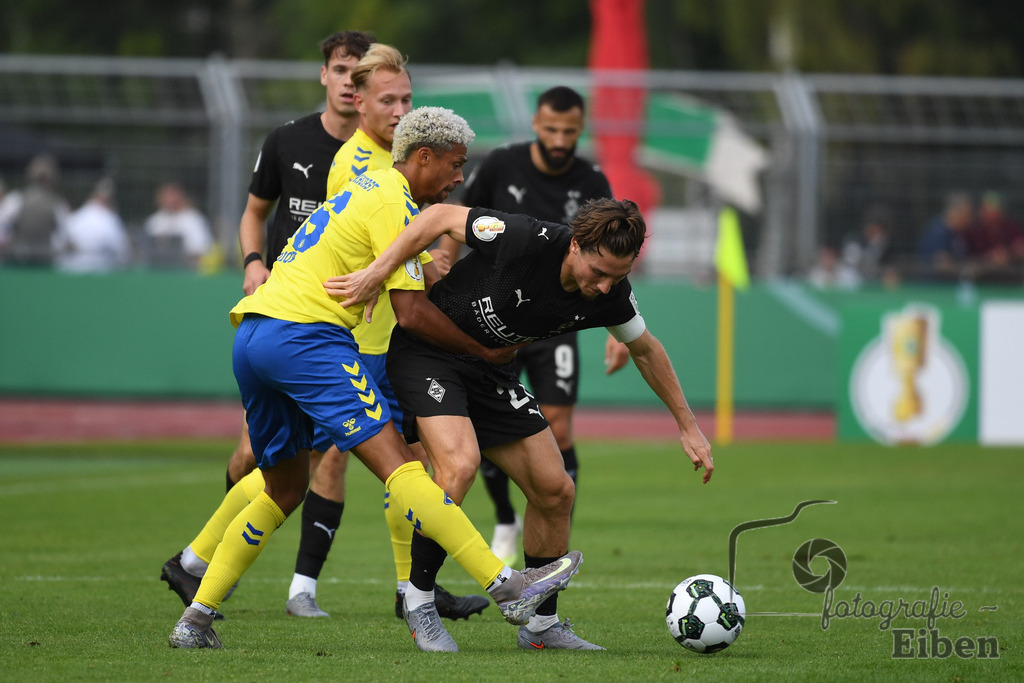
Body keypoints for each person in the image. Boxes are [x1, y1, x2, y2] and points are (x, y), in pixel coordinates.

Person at [167, 107, 583, 650]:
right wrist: (483, 348)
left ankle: (195, 619)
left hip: (253, 334)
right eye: (454, 166)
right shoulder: (394, 200)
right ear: (423, 157)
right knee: (403, 469)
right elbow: (410, 314)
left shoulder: (372, 188)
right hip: (306, 338)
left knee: (285, 487)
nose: (459, 178)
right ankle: (506, 585)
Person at [161, 35, 485, 621]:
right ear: (358, 101)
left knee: (333, 464)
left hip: (338, 330)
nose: (400, 111)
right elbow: (372, 259)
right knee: (355, 462)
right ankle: (421, 586)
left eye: (406, 99)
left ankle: (198, 567)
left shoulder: (394, 163)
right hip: (349, 333)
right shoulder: (361, 166)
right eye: (388, 99)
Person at [326, 198, 713, 652]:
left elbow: (647, 350)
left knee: (555, 490)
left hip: (491, 373)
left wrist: (688, 426)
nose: (606, 287)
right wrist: (378, 272)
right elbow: (437, 218)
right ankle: (419, 602)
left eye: (619, 276)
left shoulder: (610, 297)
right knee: (459, 465)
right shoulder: (526, 237)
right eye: (600, 271)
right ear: (576, 246)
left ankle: (542, 628)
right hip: (428, 355)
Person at [449, 85, 630, 565]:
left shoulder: (591, 177)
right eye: (550, 128)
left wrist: (620, 331)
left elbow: (616, 257)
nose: (559, 138)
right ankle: (507, 516)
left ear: (580, 129)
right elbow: (455, 221)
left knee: (559, 427)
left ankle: (553, 514)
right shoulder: (501, 165)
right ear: (535, 123)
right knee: (488, 429)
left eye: (569, 131)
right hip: (493, 315)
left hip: (556, 323)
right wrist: (443, 275)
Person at [1, 154, 71, 267]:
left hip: (17, 258)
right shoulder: (57, 203)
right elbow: (64, 238)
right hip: (45, 259)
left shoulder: (16, 199)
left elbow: (3, 229)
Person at [54, 178, 132, 272]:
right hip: (100, 273)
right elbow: (123, 252)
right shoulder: (110, 219)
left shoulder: (75, 218)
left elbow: (58, 244)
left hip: (72, 270)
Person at [143, 181, 214, 269]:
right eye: (166, 196)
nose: (169, 200)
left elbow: (203, 249)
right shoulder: (154, 221)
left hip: (186, 270)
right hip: (156, 269)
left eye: (172, 195)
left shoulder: (193, 219)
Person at [965, 190, 1024, 282]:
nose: (992, 215)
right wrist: (989, 259)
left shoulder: (1012, 227)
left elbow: (1020, 249)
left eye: (995, 211)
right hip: (981, 278)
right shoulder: (973, 230)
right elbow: (965, 259)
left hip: (1012, 277)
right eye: (988, 211)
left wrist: (1008, 254)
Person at [917, 191, 972, 282]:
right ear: (953, 212)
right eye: (965, 215)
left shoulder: (960, 233)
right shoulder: (937, 232)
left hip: (953, 287)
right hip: (934, 288)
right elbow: (942, 266)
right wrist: (968, 269)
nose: (968, 219)